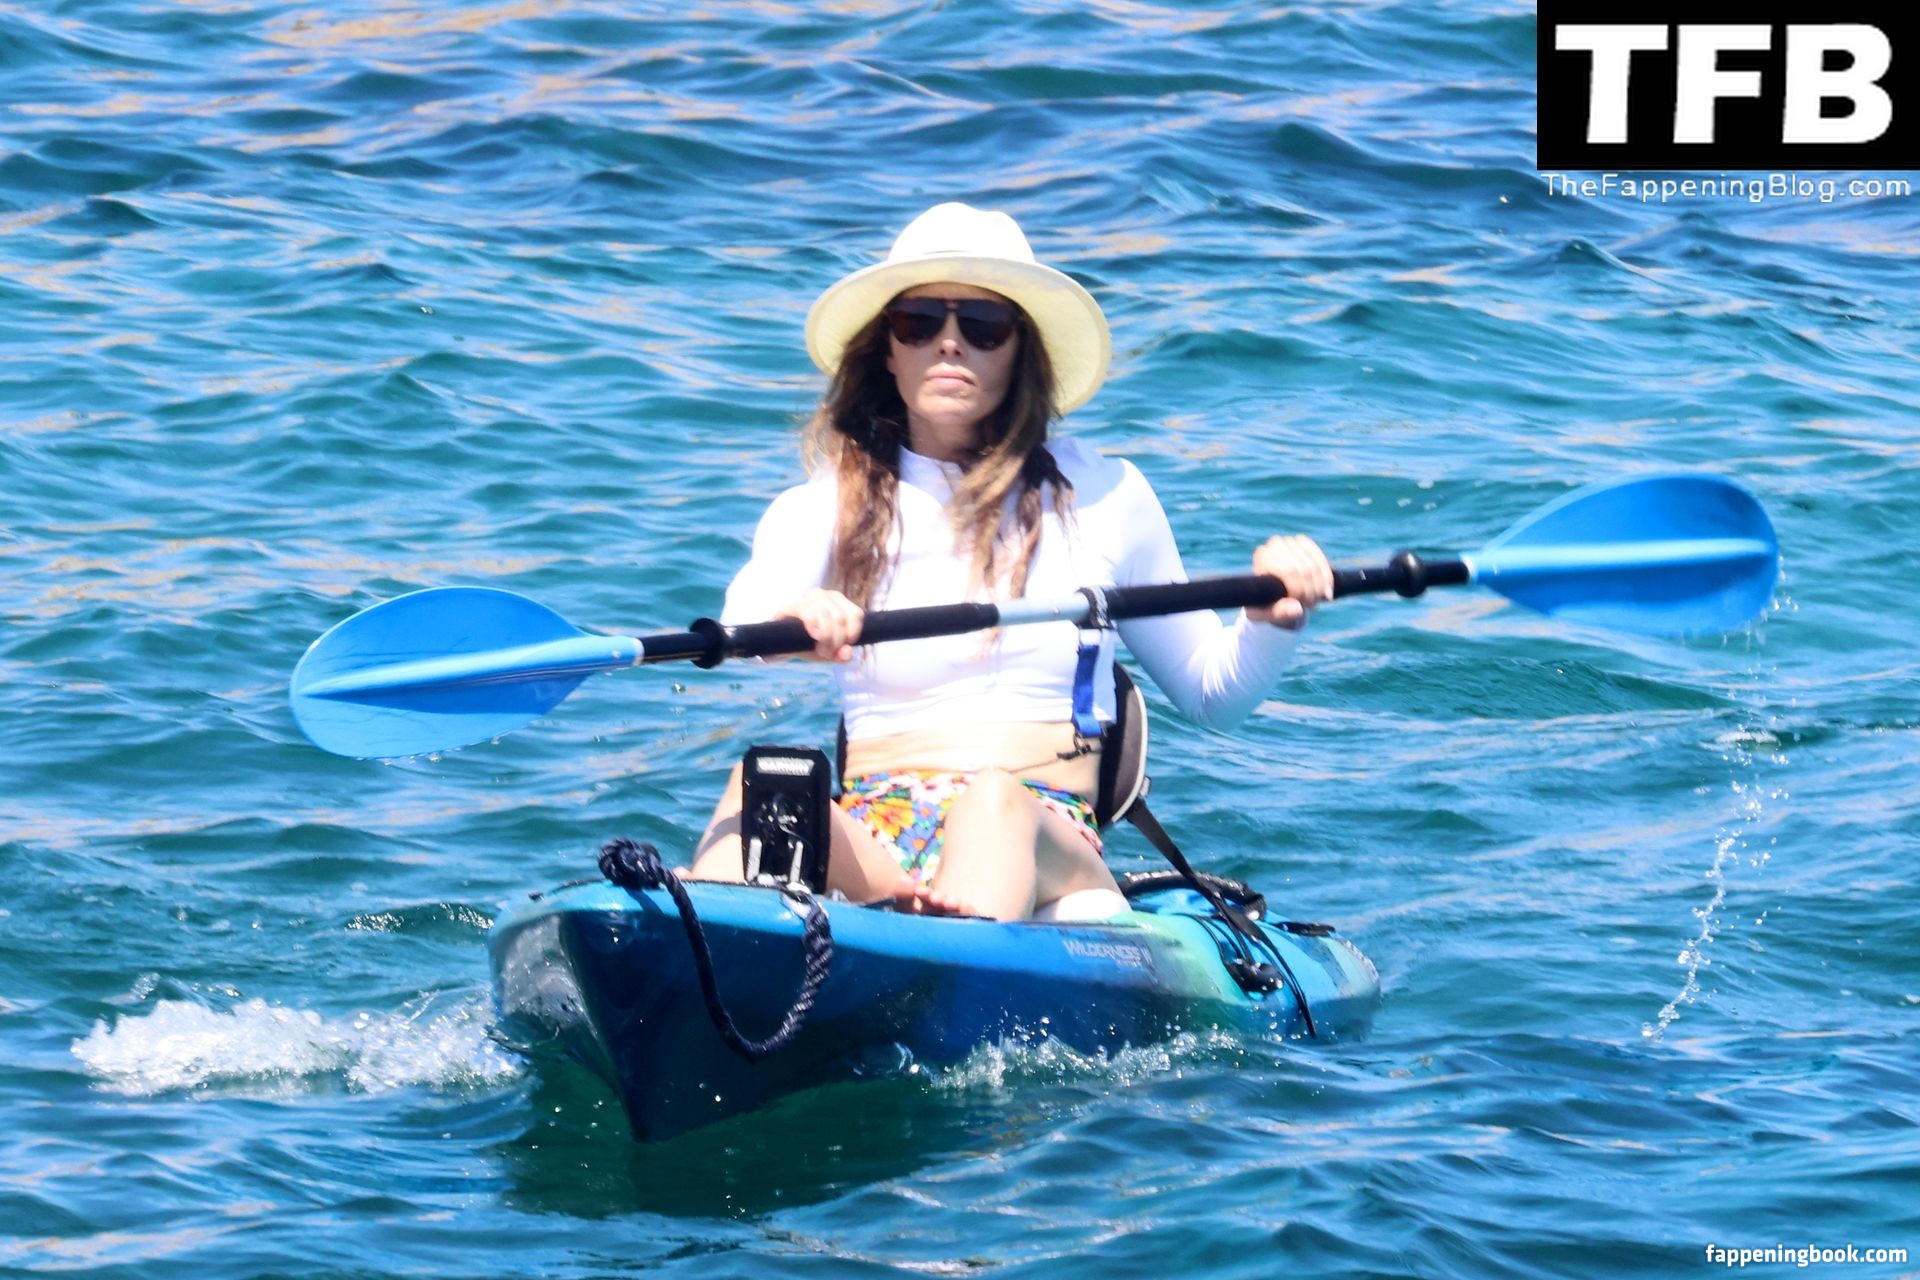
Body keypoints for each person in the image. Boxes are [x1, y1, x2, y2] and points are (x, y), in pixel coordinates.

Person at [686, 202, 1332, 921]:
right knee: (761, 786)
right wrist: (797, 618)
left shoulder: (1107, 494)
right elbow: (747, 617)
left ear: (1020, 350)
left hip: (1041, 828)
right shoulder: (827, 502)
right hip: (877, 827)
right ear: (887, 349)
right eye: (919, 322)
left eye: (983, 325)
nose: (950, 343)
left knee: (993, 800)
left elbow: (1213, 693)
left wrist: (1272, 620)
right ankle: (691, 955)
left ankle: (949, 962)